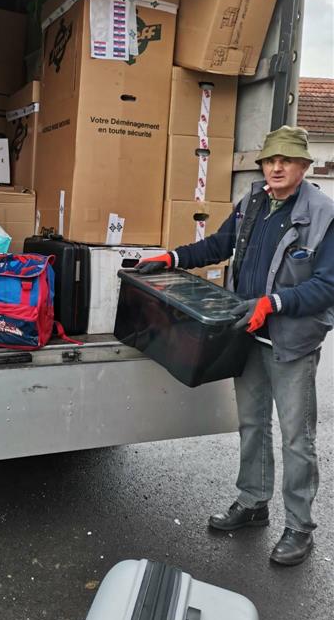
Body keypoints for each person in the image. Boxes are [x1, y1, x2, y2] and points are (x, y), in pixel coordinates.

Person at [137, 126, 334, 566]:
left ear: (304, 165)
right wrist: (172, 257)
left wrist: (276, 302)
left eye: (286, 160)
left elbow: (328, 286)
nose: (276, 167)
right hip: (247, 334)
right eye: (270, 160)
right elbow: (219, 245)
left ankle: (300, 528)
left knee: (296, 439)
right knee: (251, 424)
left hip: (291, 343)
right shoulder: (252, 202)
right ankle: (253, 503)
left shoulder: (324, 214)